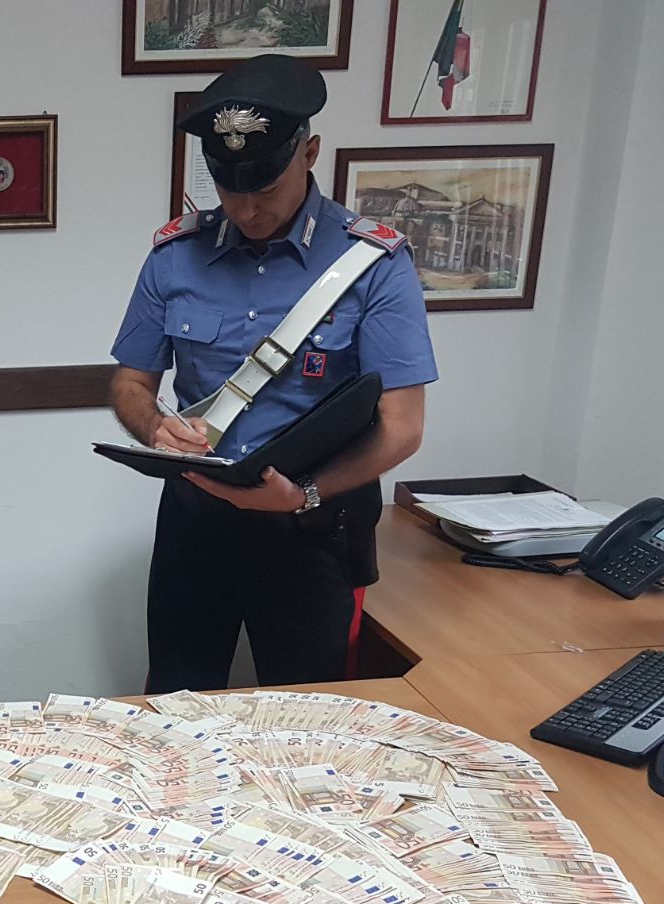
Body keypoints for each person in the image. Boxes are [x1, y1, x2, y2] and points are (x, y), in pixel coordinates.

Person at [109, 54, 437, 690]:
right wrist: (154, 428)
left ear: (309, 153)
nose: (246, 208)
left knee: (311, 710)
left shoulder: (372, 262)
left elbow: (403, 427)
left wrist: (306, 492)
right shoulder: (175, 255)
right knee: (176, 700)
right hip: (197, 519)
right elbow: (131, 383)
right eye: (230, 189)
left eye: (264, 189)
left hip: (315, 522)